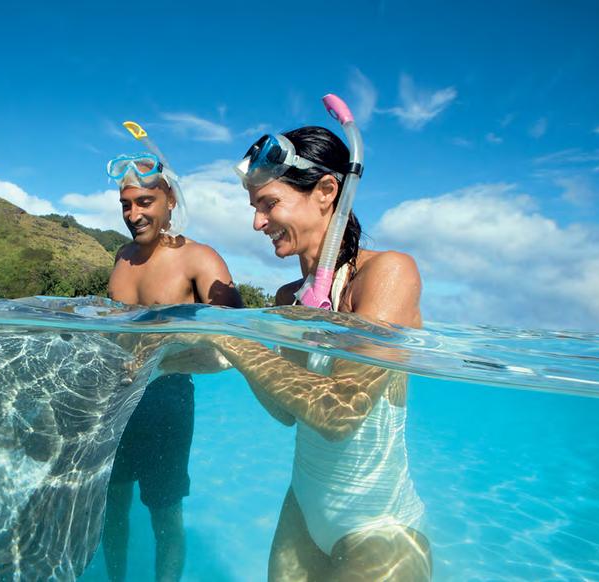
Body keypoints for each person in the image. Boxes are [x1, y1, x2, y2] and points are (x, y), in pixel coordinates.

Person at [173, 126, 431, 580]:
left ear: (327, 191)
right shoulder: (289, 295)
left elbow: (341, 413)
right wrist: (220, 349)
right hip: (303, 509)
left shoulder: (388, 273)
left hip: (379, 525)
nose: (257, 222)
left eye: (268, 203)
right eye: (254, 208)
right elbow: (286, 411)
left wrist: (236, 339)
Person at [102, 152, 242, 582]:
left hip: (167, 401)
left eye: (145, 201)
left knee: (166, 514)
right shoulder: (121, 260)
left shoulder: (200, 260)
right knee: (113, 507)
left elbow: (235, 346)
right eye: (126, 203)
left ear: (170, 202)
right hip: (115, 400)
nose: (133, 213)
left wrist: (161, 360)